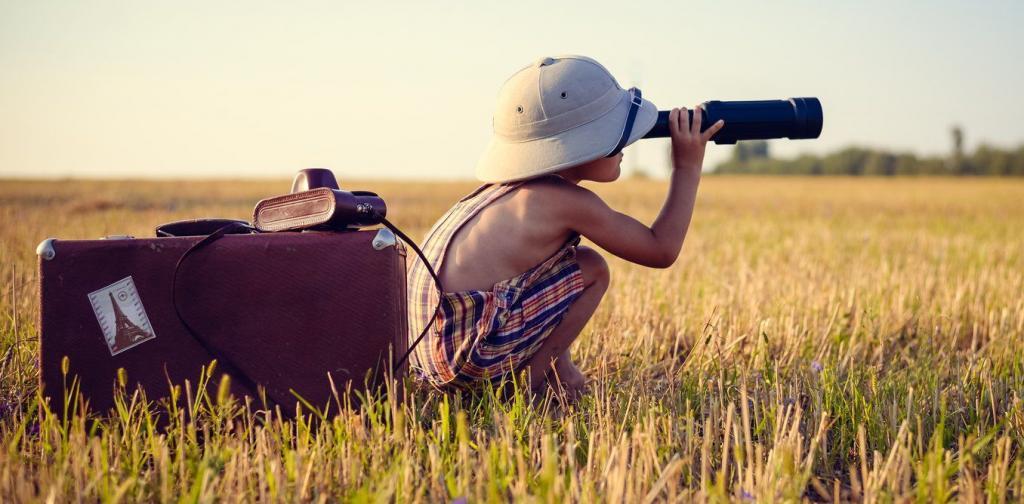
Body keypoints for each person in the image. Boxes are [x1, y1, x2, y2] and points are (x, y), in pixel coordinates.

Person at [406, 55, 724, 398]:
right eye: (616, 137)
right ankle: (528, 385)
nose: (626, 147)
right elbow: (661, 250)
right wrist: (686, 167)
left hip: (427, 355)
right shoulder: (566, 202)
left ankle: (547, 369)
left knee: (566, 269)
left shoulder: (501, 195)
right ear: (579, 144)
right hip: (465, 359)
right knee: (591, 268)